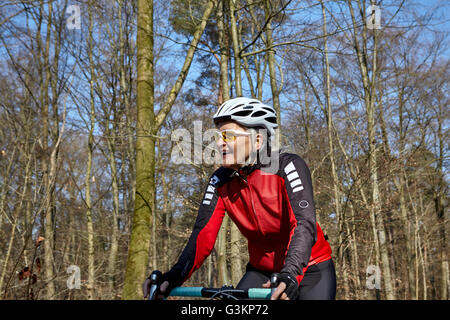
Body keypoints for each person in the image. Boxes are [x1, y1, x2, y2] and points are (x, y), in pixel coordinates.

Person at [143, 97, 336, 300]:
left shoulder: (287, 166)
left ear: (258, 140)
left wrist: (290, 275)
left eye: (228, 136)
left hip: (310, 268)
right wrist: (174, 277)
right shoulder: (220, 180)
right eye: (219, 136)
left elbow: (304, 223)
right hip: (261, 270)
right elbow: (203, 236)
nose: (219, 143)